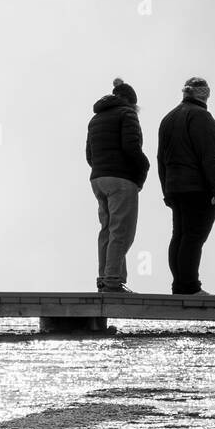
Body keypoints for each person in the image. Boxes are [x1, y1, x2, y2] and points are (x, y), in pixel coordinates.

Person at [158, 76, 215, 295]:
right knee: (194, 237)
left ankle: (179, 284)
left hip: (175, 187)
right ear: (205, 93)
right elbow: (210, 155)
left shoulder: (168, 118)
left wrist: (166, 190)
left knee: (179, 235)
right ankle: (189, 286)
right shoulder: (202, 117)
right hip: (198, 188)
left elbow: (161, 158)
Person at [85, 78, 150, 292]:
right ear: (131, 102)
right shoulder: (127, 114)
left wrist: (101, 169)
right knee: (122, 232)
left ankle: (105, 278)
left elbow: (89, 155)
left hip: (98, 179)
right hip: (121, 180)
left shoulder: (96, 118)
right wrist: (143, 168)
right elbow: (132, 148)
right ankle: (113, 281)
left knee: (106, 230)